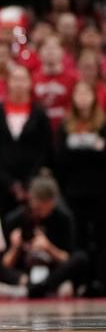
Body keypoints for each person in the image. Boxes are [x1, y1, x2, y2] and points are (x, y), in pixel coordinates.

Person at [2, 172, 92, 298]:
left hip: (52, 272)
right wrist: (15, 247)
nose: (39, 213)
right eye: (37, 208)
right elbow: (5, 264)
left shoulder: (63, 218)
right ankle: (35, 288)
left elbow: (68, 258)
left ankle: (35, 289)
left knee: (81, 258)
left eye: (45, 209)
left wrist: (49, 248)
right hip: (24, 274)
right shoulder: (16, 219)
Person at [0, 65, 53, 218]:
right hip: (1, 184)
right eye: (15, 79)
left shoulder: (39, 114)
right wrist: (9, 183)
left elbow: (45, 149)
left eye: (23, 79)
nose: (19, 84)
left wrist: (29, 181)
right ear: (8, 83)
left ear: (30, 83)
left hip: (31, 184)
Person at [55, 81, 106, 292]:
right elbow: (61, 158)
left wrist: (84, 151)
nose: (83, 97)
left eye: (87, 93)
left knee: (102, 238)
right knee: (79, 238)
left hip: (101, 191)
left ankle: (101, 281)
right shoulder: (66, 126)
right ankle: (80, 282)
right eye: (79, 93)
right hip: (74, 191)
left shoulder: (103, 124)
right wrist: (92, 150)